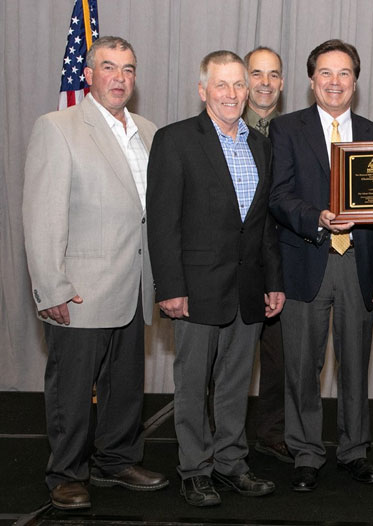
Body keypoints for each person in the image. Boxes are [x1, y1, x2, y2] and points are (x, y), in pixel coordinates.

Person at [23, 36, 168, 510]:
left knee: (125, 386)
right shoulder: (58, 127)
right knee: (71, 389)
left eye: (128, 69)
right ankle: (66, 472)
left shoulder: (148, 131)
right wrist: (51, 287)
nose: (119, 78)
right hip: (80, 291)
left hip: (135, 285)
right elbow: (42, 215)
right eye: (109, 67)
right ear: (88, 75)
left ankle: (117, 459)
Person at [146, 50, 284, 507]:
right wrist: (170, 287)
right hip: (195, 289)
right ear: (203, 90)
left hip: (248, 289)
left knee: (234, 384)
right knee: (192, 385)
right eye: (221, 85)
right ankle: (195, 469)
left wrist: (273, 281)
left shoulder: (260, 145)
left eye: (238, 84)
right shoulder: (175, 140)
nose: (231, 93)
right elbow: (162, 222)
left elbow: (262, 225)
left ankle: (230, 463)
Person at [269, 39, 373, 492]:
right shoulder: (286, 129)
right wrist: (317, 217)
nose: (335, 82)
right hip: (307, 259)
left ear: (355, 82)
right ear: (311, 81)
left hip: (359, 264)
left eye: (344, 73)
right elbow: (278, 196)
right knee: (302, 367)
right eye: (325, 73)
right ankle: (305, 453)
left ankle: (355, 451)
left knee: (355, 365)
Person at [241, 46, 292, 464]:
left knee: (280, 357)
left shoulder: (294, 132)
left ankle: (273, 431)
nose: (265, 83)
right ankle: (220, 435)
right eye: (257, 74)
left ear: (283, 83)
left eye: (273, 75)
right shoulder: (223, 125)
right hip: (235, 262)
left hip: (283, 262)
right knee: (228, 358)